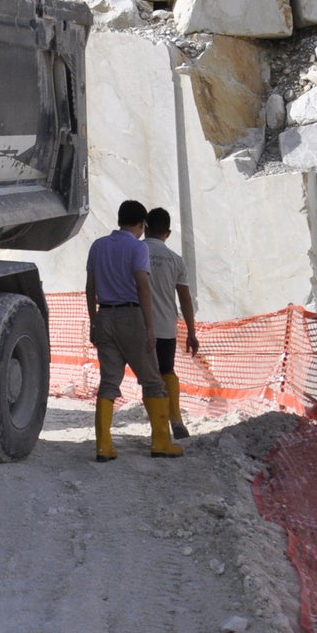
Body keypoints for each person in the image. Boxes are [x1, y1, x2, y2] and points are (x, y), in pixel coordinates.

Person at [84, 198, 181, 461]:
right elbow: (143, 286)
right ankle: (161, 442)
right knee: (152, 381)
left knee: (108, 384)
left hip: (104, 316)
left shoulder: (98, 246)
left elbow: (90, 286)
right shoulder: (138, 249)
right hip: (132, 317)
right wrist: (150, 326)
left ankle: (103, 446)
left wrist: (94, 320)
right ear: (141, 225)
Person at [145, 206, 200, 442]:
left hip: (140, 326)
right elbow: (185, 298)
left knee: (149, 378)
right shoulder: (176, 260)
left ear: (145, 228)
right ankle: (176, 419)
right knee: (167, 371)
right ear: (167, 232)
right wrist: (191, 332)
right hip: (167, 327)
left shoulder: (135, 252)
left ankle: (159, 427)